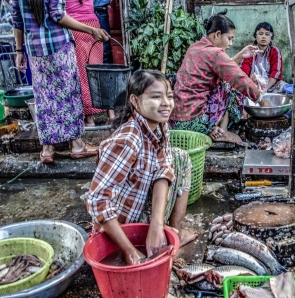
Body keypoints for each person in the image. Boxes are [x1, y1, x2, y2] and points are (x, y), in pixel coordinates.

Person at [87, 70, 197, 265]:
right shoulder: (128, 141)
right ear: (135, 101)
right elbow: (98, 200)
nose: (166, 103)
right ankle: (146, 240)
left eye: (169, 96)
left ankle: (172, 231)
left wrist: (156, 226)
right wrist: (130, 251)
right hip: (121, 223)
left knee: (180, 158)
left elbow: (164, 167)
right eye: (156, 97)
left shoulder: (160, 125)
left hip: (142, 211)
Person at [12, 0, 109, 164]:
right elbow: (58, 15)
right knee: (69, 94)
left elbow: (17, 20)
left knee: (43, 97)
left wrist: (19, 51)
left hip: (35, 49)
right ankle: (77, 146)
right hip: (59, 45)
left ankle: (48, 149)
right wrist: (91, 30)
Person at [169, 10, 264, 145]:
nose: (230, 43)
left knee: (225, 83)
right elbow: (237, 78)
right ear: (218, 34)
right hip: (194, 122)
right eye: (229, 38)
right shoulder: (215, 53)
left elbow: (219, 68)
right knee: (232, 87)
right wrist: (260, 99)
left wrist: (240, 55)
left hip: (177, 121)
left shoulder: (195, 47)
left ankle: (215, 127)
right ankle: (221, 131)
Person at [66, 0, 115, 127]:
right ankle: (111, 114)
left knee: (83, 74)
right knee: (98, 71)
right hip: (94, 25)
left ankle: (90, 119)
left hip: (75, 27)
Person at [240, 22, 287, 93]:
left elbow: (276, 73)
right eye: (260, 34)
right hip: (252, 85)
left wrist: (265, 88)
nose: (264, 37)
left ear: (271, 37)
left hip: (270, 85)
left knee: (286, 88)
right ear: (255, 36)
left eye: (267, 34)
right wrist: (253, 86)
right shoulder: (250, 50)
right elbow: (244, 71)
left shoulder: (275, 51)